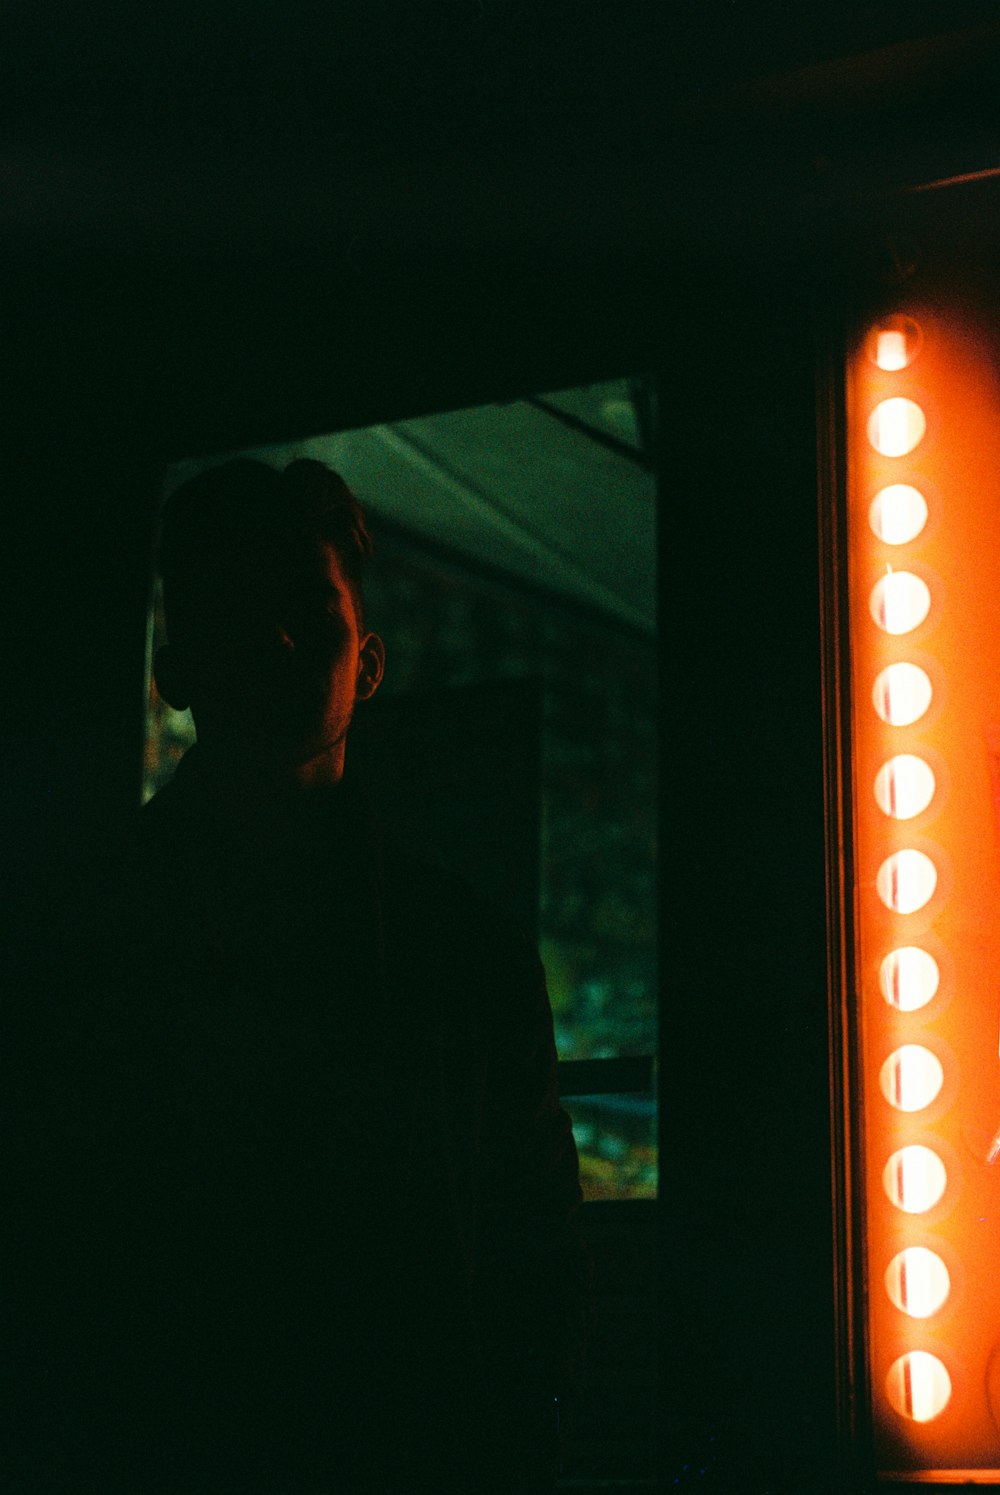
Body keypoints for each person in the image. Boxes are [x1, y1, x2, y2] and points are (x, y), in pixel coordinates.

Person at [21, 458, 592, 1494]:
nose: (274, 639)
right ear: (175, 662)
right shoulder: (464, 948)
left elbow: (533, 1256)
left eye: (300, 608)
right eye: (234, 607)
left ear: (367, 663)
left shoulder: (74, 927)